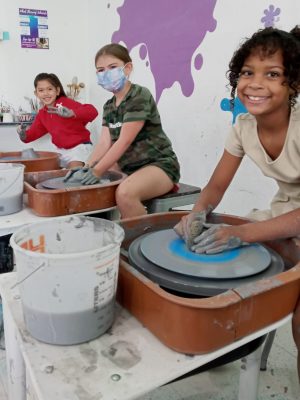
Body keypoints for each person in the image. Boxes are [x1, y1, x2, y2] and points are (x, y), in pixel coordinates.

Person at [174, 26, 300, 380]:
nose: (255, 84)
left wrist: (243, 234)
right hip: (285, 209)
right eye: (247, 72)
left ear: (294, 84)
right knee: (235, 264)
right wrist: (197, 214)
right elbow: (215, 186)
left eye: (272, 74)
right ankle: (235, 344)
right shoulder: (243, 127)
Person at [65, 43, 180, 218]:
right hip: (128, 166)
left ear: (127, 68)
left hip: (158, 165)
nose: (106, 73)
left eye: (112, 67)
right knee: (93, 184)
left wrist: (97, 171)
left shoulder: (139, 95)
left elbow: (124, 141)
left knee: (125, 194)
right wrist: (87, 167)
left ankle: (138, 241)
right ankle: (112, 232)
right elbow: (105, 142)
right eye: (101, 70)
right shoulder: (109, 106)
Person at [17, 73, 98, 168]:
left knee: (73, 175)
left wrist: (72, 113)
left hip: (79, 147)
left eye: (50, 89)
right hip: (60, 151)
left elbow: (93, 111)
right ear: (36, 93)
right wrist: (23, 135)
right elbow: (31, 135)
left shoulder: (65, 103)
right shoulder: (42, 113)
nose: (46, 93)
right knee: (49, 174)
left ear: (57, 91)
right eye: (41, 90)